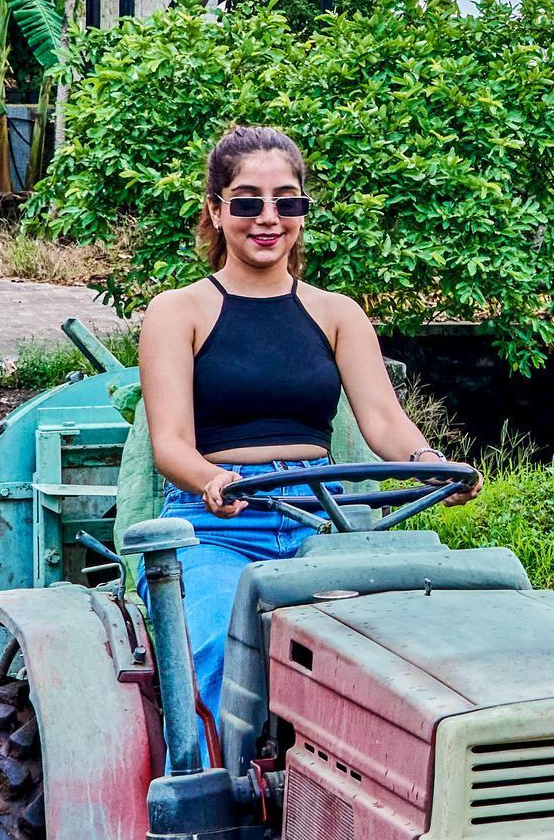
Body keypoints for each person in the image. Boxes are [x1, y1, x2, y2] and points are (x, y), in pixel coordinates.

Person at [135, 125, 445, 717]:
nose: (268, 218)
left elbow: (385, 422)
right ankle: (223, 800)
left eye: (287, 201)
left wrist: (429, 464)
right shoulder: (178, 311)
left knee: (390, 661)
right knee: (227, 662)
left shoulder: (337, 313)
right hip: (216, 529)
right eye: (248, 201)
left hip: (322, 525)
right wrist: (210, 481)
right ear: (216, 210)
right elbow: (170, 444)